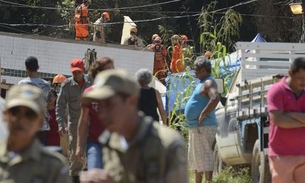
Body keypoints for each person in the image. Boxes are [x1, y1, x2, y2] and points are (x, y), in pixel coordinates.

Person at [79, 69, 188, 183]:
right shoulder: (110, 141)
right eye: (99, 106)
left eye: (109, 105)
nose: (102, 114)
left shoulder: (167, 144)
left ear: (131, 102)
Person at [0, 84, 71, 183]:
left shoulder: (53, 167)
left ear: (41, 122)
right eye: (15, 112)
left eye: (30, 114)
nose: (22, 120)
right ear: (5, 115)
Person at [267, 57, 305, 183]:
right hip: (281, 155)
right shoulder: (276, 91)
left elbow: (283, 118)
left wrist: (290, 114)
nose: (303, 82)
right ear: (290, 73)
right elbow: (279, 120)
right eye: (300, 78)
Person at [56, 58, 92, 183]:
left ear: (83, 70)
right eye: (74, 72)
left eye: (78, 72)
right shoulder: (66, 85)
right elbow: (60, 106)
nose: (76, 75)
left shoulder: (92, 83)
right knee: (75, 154)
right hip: (75, 125)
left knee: (90, 151)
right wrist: (61, 124)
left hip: (91, 123)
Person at [184, 56, 220, 183]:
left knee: (205, 156)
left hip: (204, 126)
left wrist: (203, 113)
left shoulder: (208, 82)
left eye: (196, 70)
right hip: (197, 127)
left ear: (204, 70)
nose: (195, 72)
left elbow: (215, 97)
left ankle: (208, 181)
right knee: (197, 158)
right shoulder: (202, 82)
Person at [76, 57, 114, 170]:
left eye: (113, 69)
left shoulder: (118, 93)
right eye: (108, 69)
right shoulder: (89, 93)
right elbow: (83, 121)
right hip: (95, 143)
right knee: (94, 174)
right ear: (98, 72)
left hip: (115, 145)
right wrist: (79, 146)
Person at [18, 56, 51, 146]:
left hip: (26, 125)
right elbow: (47, 103)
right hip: (42, 124)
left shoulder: (22, 84)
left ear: (26, 69)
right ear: (38, 68)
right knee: (41, 156)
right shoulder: (46, 85)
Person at [52, 74, 69, 157]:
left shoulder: (67, 96)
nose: (58, 88)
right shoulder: (52, 95)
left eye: (60, 85)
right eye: (57, 85)